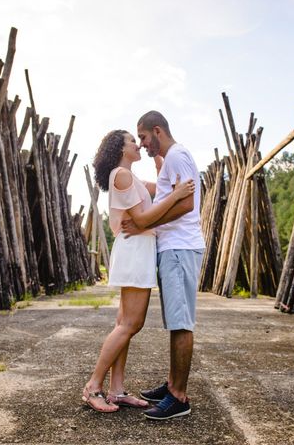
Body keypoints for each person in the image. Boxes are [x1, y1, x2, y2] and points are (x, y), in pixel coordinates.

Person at [82, 129, 195, 413]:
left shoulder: (130, 177)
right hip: (134, 251)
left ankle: (116, 390)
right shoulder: (121, 175)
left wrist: (162, 163)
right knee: (130, 324)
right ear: (121, 149)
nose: (137, 144)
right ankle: (93, 387)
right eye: (133, 141)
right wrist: (178, 194)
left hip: (138, 249)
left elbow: (157, 189)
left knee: (125, 323)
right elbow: (144, 218)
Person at [123, 110, 205, 420]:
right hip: (173, 248)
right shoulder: (169, 160)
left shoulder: (176, 156)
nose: (142, 145)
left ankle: (179, 397)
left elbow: (186, 204)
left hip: (180, 247)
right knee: (175, 321)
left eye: (143, 137)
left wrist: (147, 222)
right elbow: (169, 194)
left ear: (157, 131)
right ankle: (172, 384)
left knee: (181, 322)